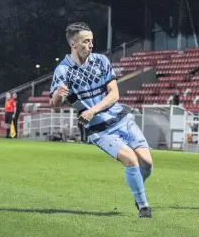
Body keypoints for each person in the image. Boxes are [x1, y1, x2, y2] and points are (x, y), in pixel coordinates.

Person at [49, 22, 153, 218]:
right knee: (131, 160)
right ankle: (143, 206)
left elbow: (114, 94)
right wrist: (58, 96)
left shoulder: (101, 61)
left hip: (123, 119)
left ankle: (136, 188)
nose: (90, 45)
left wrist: (92, 110)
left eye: (91, 41)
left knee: (147, 163)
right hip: (100, 130)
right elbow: (54, 104)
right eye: (85, 41)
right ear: (73, 43)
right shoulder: (62, 70)